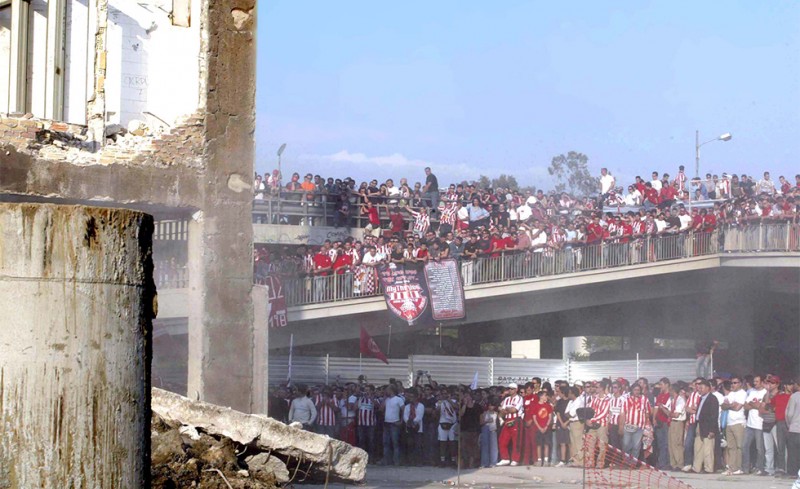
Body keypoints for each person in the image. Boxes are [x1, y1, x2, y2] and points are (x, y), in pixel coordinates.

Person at [692, 380, 720, 474]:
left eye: (702, 387)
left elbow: (714, 415)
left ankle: (708, 468)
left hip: (708, 426)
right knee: (698, 447)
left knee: (708, 448)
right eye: (699, 388)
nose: (700, 390)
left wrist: (712, 430)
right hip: (700, 425)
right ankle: (696, 467)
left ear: (708, 388)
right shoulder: (701, 398)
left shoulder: (712, 399)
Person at [722, 375, 747, 475]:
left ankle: (739, 467)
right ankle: (732, 467)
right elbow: (723, 406)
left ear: (740, 383)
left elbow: (737, 408)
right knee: (731, 447)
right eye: (732, 383)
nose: (733, 385)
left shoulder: (743, 393)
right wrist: (730, 405)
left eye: (735, 383)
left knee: (739, 446)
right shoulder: (731, 394)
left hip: (738, 422)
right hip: (729, 422)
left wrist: (729, 405)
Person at [496, 383, 524, 466]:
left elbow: (514, 410)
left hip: (516, 420)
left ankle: (515, 459)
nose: (510, 390)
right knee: (502, 439)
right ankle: (505, 458)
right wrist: (506, 410)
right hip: (507, 420)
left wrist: (505, 409)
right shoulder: (507, 399)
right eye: (509, 389)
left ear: (516, 389)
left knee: (516, 441)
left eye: (512, 389)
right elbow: (502, 411)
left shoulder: (519, 398)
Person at [381, 385, 405, 466]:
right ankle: (386, 460)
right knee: (385, 443)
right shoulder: (387, 400)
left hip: (394, 423)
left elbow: (403, 410)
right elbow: (381, 409)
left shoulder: (399, 399)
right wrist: (384, 399)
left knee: (395, 443)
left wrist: (401, 420)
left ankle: (396, 461)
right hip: (386, 422)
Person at [480, 396, 500, 467]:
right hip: (486, 428)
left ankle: (493, 462)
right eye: (489, 405)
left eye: (492, 405)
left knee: (494, 446)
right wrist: (487, 421)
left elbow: (500, 422)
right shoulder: (484, 413)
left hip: (493, 429)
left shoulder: (496, 413)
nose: (490, 407)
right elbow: (481, 422)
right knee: (485, 446)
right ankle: (484, 462)